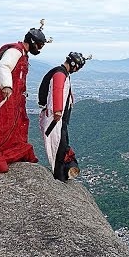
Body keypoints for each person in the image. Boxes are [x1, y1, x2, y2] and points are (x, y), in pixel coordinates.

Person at [0, 21, 51, 173]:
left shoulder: (22, 53)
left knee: (16, 126)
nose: (40, 49)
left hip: (15, 99)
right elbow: (4, 66)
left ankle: (12, 153)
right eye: (40, 45)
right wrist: (6, 86)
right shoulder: (16, 51)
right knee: (2, 126)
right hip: (6, 97)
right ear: (33, 42)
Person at [38, 52, 91, 181]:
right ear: (73, 64)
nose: (77, 70)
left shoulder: (61, 73)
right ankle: (59, 175)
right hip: (55, 119)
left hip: (58, 119)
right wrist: (57, 111)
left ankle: (64, 172)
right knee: (58, 148)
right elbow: (57, 90)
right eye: (78, 67)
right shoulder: (60, 74)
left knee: (62, 146)